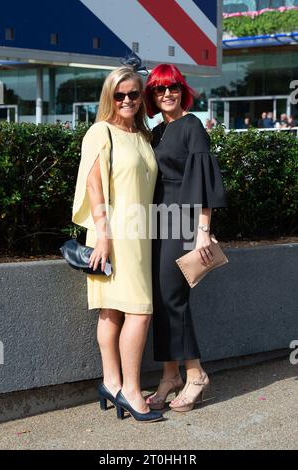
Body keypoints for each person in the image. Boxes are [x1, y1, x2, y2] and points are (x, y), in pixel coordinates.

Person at [71, 60, 162, 422]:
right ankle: (130, 389)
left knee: (114, 311)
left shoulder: (143, 135)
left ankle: (111, 383)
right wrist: (104, 238)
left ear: (142, 97)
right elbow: (95, 188)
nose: (127, 100)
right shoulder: (99, 132)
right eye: (119, 94)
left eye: (133, 94)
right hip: (111, 234)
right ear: (110, 96)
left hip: (139, 234)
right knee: (138, 311)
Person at [144, 64, 227, 412]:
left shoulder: (191, 126)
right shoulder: (158, 131)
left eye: (173, 88)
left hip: (183, 223)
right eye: (160, 90)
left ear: (183, 90)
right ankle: (169, 375)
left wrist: (202, 231)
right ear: (152, 95)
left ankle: (195, 374)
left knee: (173, 299)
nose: (167, 94)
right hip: (157, 223)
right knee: (160, 300)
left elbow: (204, 182)